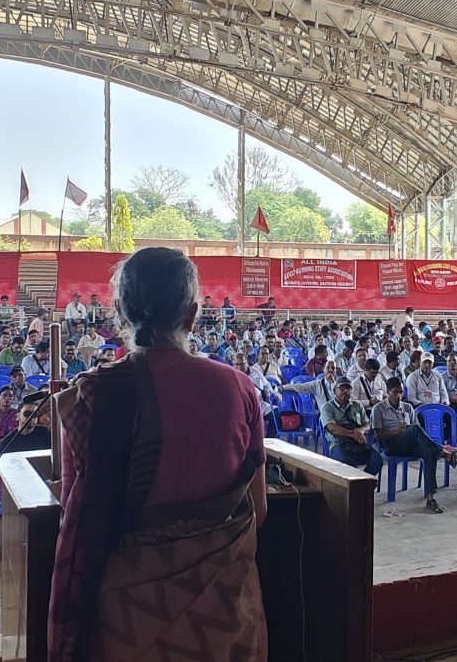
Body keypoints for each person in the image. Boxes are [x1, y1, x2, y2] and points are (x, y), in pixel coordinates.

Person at [48, 247, 267, 659]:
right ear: (192, 315)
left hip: (128, 620)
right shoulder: (239, 387)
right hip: (225, 614)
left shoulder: (94, 393)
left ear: (120, 313)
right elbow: (259, 509)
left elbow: (75, 509)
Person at [371, 377, 457, 513]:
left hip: (409, 443)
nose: (398, 395)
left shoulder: (407, 407)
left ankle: (430, 498)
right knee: (414, 429)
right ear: (387, 391)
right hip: (391, 445)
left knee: (429, 452)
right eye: (395, 392)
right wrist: (395, 431)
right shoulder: (378, 408)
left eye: (401, 392)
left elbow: (418, 432)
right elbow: (378, 435)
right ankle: (443, 452)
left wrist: (407, 431)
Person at [321, 378, 382, 477]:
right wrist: (353, 434)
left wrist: (361, 430)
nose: (345, 391)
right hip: (338, 444)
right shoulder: (327, 407)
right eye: (342, 388)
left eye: (348, 389)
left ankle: (362, 481)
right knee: (348, 464)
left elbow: (367, 424)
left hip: (357, 444)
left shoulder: (357, 405)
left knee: (377, 461)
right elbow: (332, 428)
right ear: (334, 391)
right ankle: (354, 483)